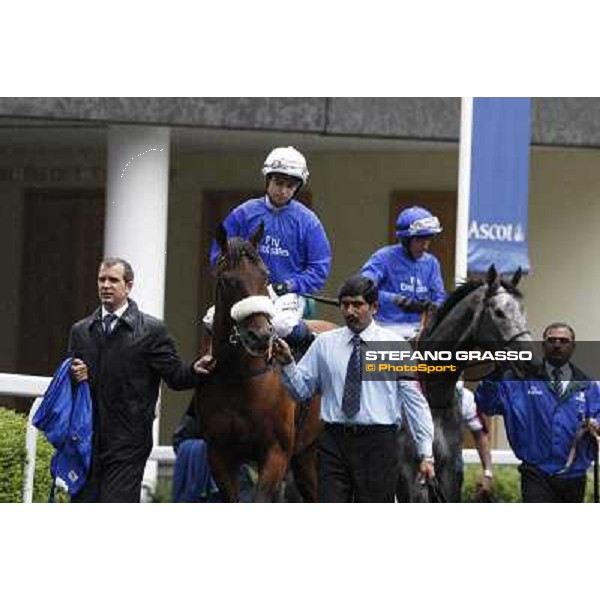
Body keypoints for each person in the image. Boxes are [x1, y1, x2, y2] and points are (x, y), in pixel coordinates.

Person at [272, 274, 435, 502]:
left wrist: (426, 453)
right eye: (345, 305)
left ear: (374, 307)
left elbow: (415, 402)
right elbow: (301, 391)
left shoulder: (395, 346)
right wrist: (289, 363)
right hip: (333, 441)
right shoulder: (324, 343)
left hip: (378, 443)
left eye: (357, 305)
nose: (350, 311)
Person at [69, 257, 214, 502]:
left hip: (128, 441)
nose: (106, 285)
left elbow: (176, 377)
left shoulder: (152, 331)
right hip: (87, 440)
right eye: (101, 279)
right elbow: (70, 385)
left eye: (113, 280)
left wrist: (196, 369)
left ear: (129, 286)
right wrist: (75, 376)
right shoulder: (81, 331)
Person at [207, 146, 332, 345]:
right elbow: (217, 253)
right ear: (268, 180)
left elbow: (319, 269)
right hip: (246, 292)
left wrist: (288, 285)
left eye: (290, 186)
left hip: (283, 296)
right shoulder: (244, 213)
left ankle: (310, 347)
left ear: (297, 188)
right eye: (278, 183)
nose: (283, 191)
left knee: (281, 325)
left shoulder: (308, 222)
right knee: (211, 319)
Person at [475, 322, 600, 502]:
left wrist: (595, 426)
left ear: (573, 347)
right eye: (552, 340)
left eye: (564, 341)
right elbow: (487, 405)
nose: (557, 345)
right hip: (536, 472)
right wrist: (494, 374)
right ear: (543, 345)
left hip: (574, 473)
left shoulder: (587, 385)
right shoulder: (518, 379)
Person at [361, 205, 446, 339]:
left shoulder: (432, 263)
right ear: (405, 240)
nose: (425, 245)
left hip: (419, 332)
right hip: (384, 329)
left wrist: (434, 306)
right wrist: (397, 300)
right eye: (420, 240)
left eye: (428, 238)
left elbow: (439, 297)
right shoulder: (383, 257)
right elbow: (363, 288)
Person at [455, 381, 493, 501]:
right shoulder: (415, 391)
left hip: (451, 470)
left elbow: (480, 435)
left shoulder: (466, 398)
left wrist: (487, 473)